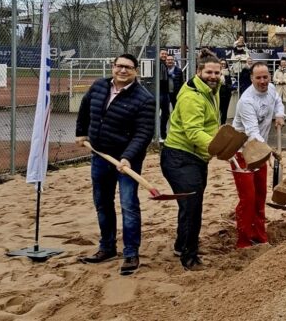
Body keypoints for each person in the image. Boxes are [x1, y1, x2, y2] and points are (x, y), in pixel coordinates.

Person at [75, 53, 155, 276]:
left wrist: (128, 157)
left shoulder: (144, 98)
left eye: (128, 68)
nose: (122, 70)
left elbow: (143, 133)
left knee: (129, 205)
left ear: (135, 71)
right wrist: (81, 132)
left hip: (126, 161)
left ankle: (131, 253)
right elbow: (85, 107)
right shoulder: (99, 86)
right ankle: (107, 247)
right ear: (113, 67)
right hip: (100, 155)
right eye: (119, 66)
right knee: (102, 202)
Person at [160, 49, 223, 270]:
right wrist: (219, 147)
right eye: (209, 72)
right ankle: (189, 256)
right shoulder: (191, 97)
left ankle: (182, 243)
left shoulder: (210, 90)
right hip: (180, 157)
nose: (213, 76)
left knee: (191, 205)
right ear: (198, 72)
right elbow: (194, 132)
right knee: (191, 206)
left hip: (197, 158)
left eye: (217, 72)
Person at [232, 62, 285, 248]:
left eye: (265, 77)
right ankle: (244, 240)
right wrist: (268, 153)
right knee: (248, 198)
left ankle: (259, 234)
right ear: (252, 79)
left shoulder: (271, 89)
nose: (263, 81)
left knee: (260, 195)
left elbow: (278, 101)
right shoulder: (246, 101)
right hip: (243, 153)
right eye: (258, 78)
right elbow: (253, 132)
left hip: (260, 151)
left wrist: (280, 114)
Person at [158, 49, 171, 141]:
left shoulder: (165, 65)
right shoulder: (158, 64)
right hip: (159, 92)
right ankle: (156, 134)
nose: (164, 55)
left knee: (166, 114)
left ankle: (163, 134)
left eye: (166, 54)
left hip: (165, 93)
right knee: (155, 114)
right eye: (162, 53)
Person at [218, 59, 233, 124]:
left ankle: (223, 124)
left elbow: (230, 83)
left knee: (225, 111)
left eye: (224, 64)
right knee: (218, 110)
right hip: (219, 93)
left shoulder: (228, 72)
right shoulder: (217, 72)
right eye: (222, 64)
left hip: (226, 93)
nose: (223, 65)